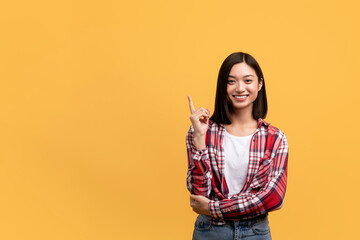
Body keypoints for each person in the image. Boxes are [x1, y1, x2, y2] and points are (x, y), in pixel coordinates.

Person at [186, 52, 289, 240]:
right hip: (210, 232)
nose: (240, 88)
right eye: (231, 81)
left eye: (247, 80)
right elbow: (198, 196)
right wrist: (199, 139)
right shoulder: (201, 131)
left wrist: (213, 207)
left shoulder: (275, 138)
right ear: (222, 86)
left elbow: (273, 197)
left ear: (259, 84)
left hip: (255, 232)